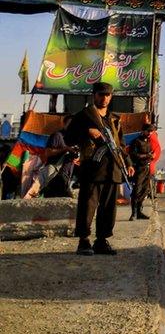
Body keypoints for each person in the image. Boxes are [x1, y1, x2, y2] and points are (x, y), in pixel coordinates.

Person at [65, 82, 135, 256]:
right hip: (93, 168)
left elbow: (121, 145)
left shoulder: (114, 119)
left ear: (111, 97)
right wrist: (87, 132)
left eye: (107, 95)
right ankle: (84, 240)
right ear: (94, 95)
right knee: (88, 206)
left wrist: (129, 163)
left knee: (109, 208)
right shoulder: (83, 116)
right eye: (100, 95)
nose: (104, 98)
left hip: (113, 169)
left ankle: (102, 240)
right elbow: (68, 138)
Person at [39, 117, 79, 198]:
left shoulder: (74, 138)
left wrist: (76, 156)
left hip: (67, 176)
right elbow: (48, 152)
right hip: (56, 174)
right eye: (70, 124)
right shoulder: (57, 136)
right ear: (64, 124)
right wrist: (65, 149)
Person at [127, 123, 155, 220]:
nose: (150, 133)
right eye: (148, 131)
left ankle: (139, 212)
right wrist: (147, 156)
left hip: (147, 169)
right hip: (139, 169)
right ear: (143, 131)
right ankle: (133, 214)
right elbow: (133, 155)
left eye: (151, 132)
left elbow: (149, 154)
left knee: (145, 190)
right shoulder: (136, 142)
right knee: (137, 191)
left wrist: (151, 156)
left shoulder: (148, 142)